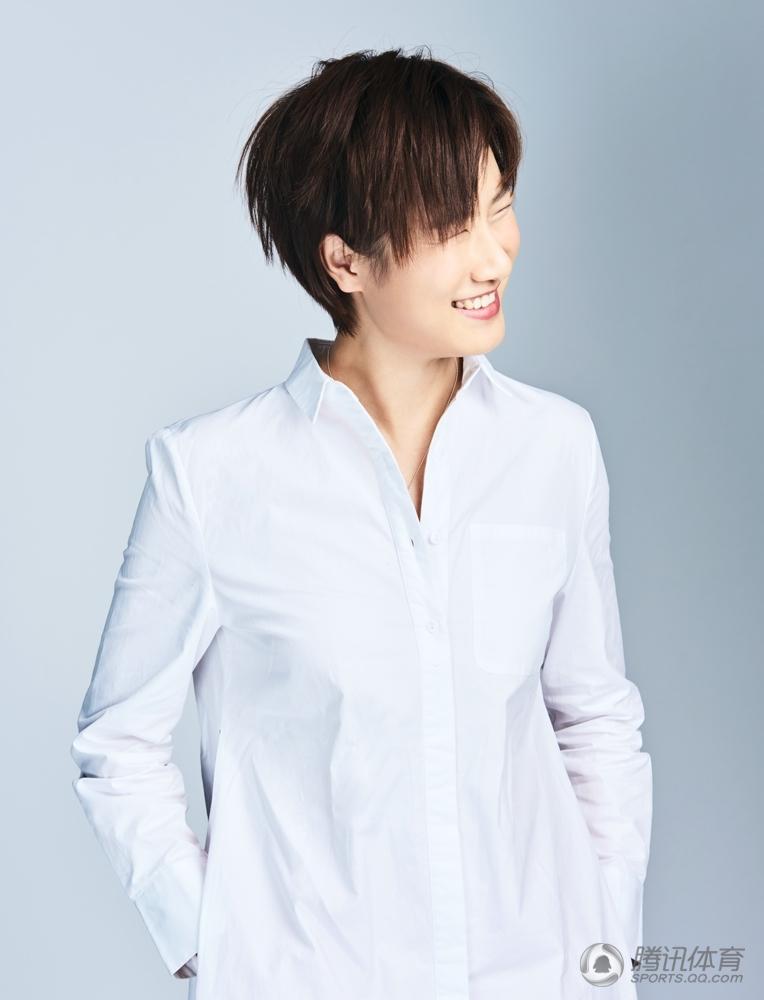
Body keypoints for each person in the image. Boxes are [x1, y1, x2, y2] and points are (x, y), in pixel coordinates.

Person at [70, 46, 652, 999]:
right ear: (345, 260)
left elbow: (594, 720)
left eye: (500, 205)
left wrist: (605, 952)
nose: (494, 254)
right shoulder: (210, 476)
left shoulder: (556, 448)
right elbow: (117, 748)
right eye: (452, 226)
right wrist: (221, 950)